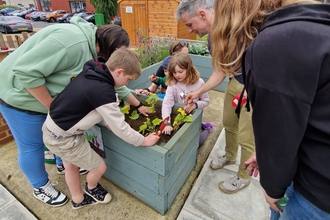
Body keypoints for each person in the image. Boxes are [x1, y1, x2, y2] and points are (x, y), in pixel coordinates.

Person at [0, 17, 150, 207]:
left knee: (60, 143)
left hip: (61, 120)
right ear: (109, 53)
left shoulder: (97, 62)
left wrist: (137, 105)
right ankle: (41, 186)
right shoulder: (71, 42)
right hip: (17, 94)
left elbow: (114, 83)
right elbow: (25, 71)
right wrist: (54, 107)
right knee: (33, 146)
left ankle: (68, 171)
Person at [212, 0, 330, 219]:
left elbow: (279, 132)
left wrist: (273, 187)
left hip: (316, 195)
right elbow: (307, 117)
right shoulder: (318, 26)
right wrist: (265, 155)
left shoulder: (275, 43)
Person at [42, 47, 160, 209]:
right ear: (119, 72)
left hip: (52, 128)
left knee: (70, 165)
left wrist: (106, 122)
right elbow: (121, 128)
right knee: (99, 167)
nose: (127, 84)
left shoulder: (94, 69)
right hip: (65, 138)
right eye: (128, 79)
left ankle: (78, 199)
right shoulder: (104, 92)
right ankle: (91, 189)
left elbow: (88, 105)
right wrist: (143, 141)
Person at [176, 0, 255, 193]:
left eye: (189, 24)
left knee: (247, 135)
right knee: (229, 123)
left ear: (202, 14)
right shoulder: (213, 39)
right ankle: (230, 155)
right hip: (235, 81)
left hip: (255, 87)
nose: (189, 31)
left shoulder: (241, 26)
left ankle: (243, 176)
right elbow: (221, 70)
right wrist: (198, 92)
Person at [161, 52, 210, 147]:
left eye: (180, 72)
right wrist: (167, 122)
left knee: (197, 143)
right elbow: (167, 103)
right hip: (178, 117)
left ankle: (207, 129)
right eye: (174, 72)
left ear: (189, 69)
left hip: (194, 117)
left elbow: (206, 101)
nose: (177, 75)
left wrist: (195, 105)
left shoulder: (199, 83)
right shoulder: (173, 83)